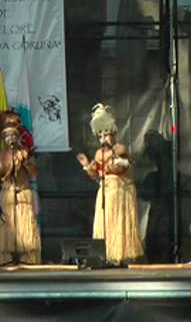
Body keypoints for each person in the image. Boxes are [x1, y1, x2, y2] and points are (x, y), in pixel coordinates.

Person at [76, 103, 144, 265]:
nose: (103, 139)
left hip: (120, 193)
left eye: (106, 135)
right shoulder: (99, 153)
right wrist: (88, 166)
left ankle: (121, 255)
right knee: (105, 224)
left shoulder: (120, 148)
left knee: (119, 224)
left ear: (113, 134)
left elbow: (118, 168)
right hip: (106, 193)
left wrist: (104, 166)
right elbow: (97, 176)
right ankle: (106, 254)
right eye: (100, 136)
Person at [0, 115, 41, 266]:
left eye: (13, 135)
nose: (11, 138)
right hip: (7, 193)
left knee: (26, 226)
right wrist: (5, 165)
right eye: (7, 135)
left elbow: (34, 172)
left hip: (23, 192)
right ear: (3, 138)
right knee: (5, 227)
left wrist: (25, 162)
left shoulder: (25, 152)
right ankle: (5, 258)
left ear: (18, 137)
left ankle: (27, 257)